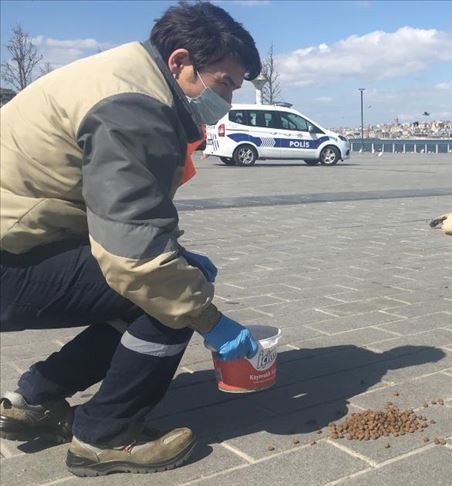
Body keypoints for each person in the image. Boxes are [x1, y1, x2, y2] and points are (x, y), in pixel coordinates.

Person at [0, 1, 262, 477]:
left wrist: (175, 255)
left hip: (17, 241)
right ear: (181, 61)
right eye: (224, 82)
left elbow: (127, 214)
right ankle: (104, 437)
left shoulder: (125, 77)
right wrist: (208, 317)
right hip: (7, 259)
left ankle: (33, 400)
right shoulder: (133, 108)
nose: (228, 98)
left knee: (165, 279)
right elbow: (136, 258)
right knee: (171, 297)